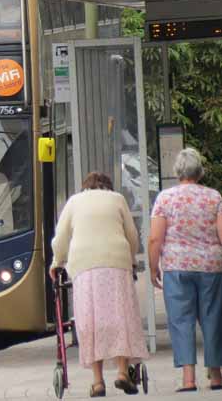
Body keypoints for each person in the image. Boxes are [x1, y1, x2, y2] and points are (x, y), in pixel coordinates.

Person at [50, 171, 148, 397]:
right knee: (120, 317)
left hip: (85, 266)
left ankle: (97, 382)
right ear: (108, 186)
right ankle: (123, 372)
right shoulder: (117, 199)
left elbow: (60, 238)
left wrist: (57, 262)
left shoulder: (74, 202)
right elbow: (132, 235)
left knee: (91, 321)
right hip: (116, 262)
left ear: (86, 186)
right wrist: (131, 260)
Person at [148, 147, 222, 392]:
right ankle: (216, 376)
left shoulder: (165, 199)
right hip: (211, 266)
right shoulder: (214, 197)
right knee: (212, 318)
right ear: (200, 171)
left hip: (177, 267)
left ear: (177, 171)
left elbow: (155, 239)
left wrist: (152, 268)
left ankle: (189, 379)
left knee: (181, 320)